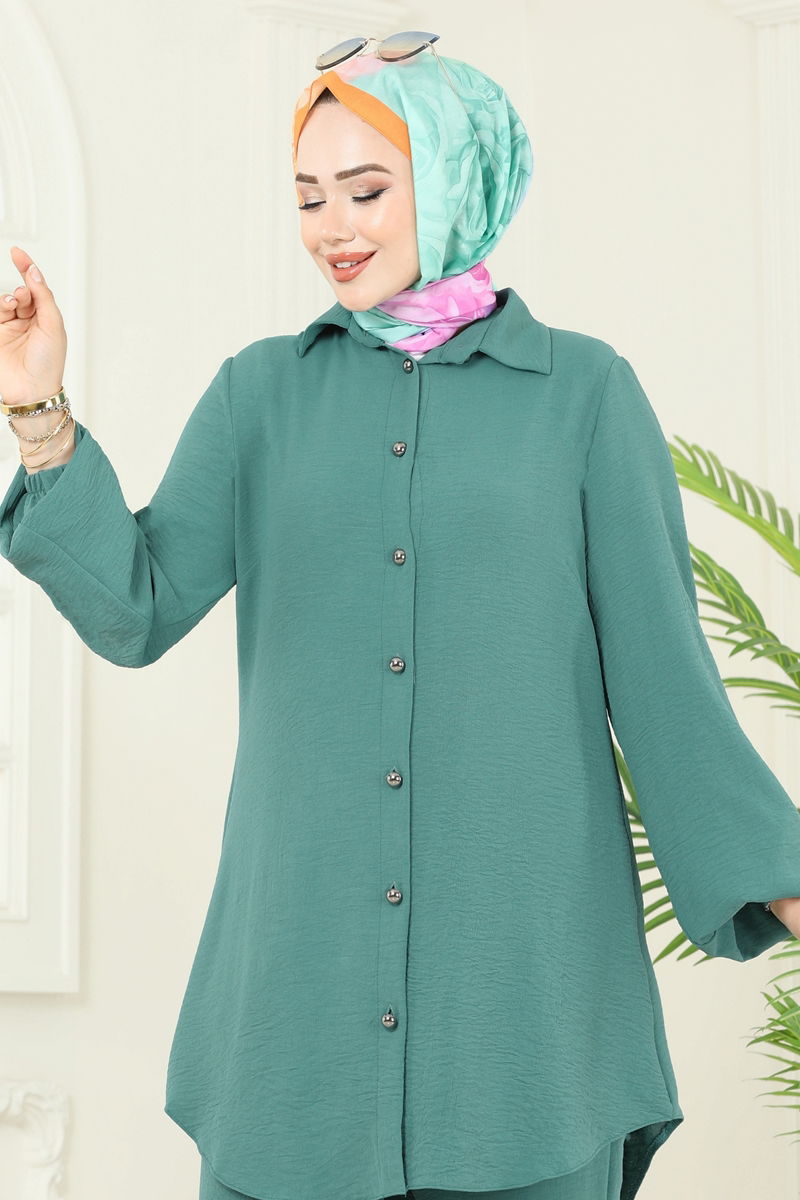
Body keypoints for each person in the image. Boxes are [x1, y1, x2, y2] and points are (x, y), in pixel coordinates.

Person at [2, 30, 800, 1200]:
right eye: (307, 196)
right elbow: (136, 607)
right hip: (297, 1006)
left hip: (527, 1018)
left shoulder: (583, 393)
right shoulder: (259, 394)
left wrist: (776, 877)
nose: (332, 226)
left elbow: (663, 681)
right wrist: (39, 413)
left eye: (367, 190)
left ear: (458, 177)